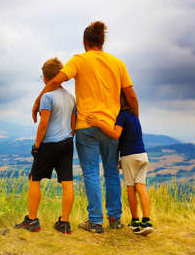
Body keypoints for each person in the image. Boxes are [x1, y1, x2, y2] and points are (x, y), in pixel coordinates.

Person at [31, 21, 139, 233]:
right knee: (110, 172)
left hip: (85, 125)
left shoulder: (79, 60)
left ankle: (96, 221)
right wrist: (134, 124)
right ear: (102, 41)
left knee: (90, 172)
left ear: (85, 42)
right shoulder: (118, 63)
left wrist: (37, 101)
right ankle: (115, 219)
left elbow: (55, 82)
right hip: (111, 125)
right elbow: (132, 97)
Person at [15, 57, 77, 234]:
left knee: (34, 179)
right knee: (67, 182)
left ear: (45, 77)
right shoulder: (71, 98)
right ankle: (64, 223)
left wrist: (36, 145)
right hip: (67, 143)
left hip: (49, 144)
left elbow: (43, 124)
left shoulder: (47, 97)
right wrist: (67, 137)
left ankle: (32, 220)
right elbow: (74, 126)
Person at [86, 94, 154, 235]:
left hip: (129, 156)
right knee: (141, 187)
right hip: (142, 155)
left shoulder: (122, 116)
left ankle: (135, 221)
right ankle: (146, 220)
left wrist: (99, 123)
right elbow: (129, 137)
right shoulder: (134, 115)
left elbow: (116, 134)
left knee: (130, 188)